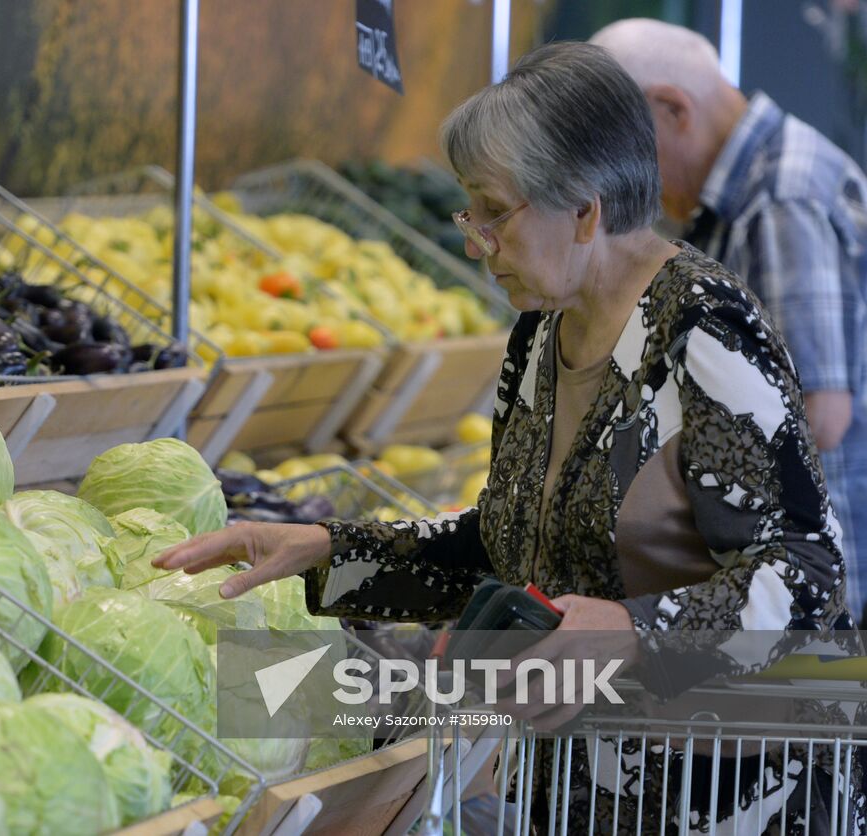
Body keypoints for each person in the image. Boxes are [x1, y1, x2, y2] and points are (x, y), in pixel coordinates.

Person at [153, 42, 858, 831]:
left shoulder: (706, 331)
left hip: (732, 794)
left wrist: (636, 630)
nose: (472, 240)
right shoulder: (539, 340)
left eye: (494, 211)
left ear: (585, 210)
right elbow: (502, 548)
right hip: (578, 788)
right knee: (252, 682)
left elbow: (806, 572)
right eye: (468, 209)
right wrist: (328, 552)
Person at [591, 18, 867, 622]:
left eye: (627, 150)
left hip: (811, 582)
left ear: (672, 109)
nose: (629, 179)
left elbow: (817, 415)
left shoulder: (778, 203)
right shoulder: (751, 190)